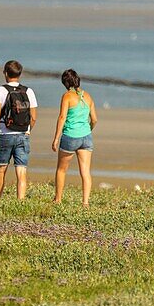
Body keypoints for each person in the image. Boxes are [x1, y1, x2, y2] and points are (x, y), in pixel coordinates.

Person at [0, 60, 38, 199]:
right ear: (20, 74)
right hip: (23, 135)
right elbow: (33, 117)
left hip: (4, 135)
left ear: (5, 73)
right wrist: (27, 130)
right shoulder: (29, 91)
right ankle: (20, 202)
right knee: (21, 172)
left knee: (1, 169)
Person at [51, 68, 97, 207]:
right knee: (85, 171)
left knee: (61, 169)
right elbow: (94, 119)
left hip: (71, 136)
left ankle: (58, 199)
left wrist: (56, 138)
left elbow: (62, 117)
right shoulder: (87, 96)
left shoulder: (67, 96)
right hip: (86, 137)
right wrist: (88, 129)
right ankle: (85, 202)